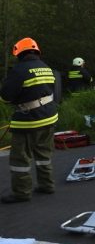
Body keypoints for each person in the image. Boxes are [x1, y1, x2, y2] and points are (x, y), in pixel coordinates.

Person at [0, 37, 58, 203]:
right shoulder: (46, 68)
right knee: (43, 154)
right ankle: (47, 185)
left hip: (28, 121)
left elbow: (5, 97)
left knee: (20, 159)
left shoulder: (19, 71)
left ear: (19, 52)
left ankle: (22, 193)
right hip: (49, 117)